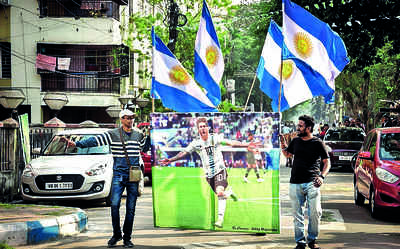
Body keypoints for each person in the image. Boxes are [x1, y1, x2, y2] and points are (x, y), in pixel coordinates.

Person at [64, 109, 150, 248]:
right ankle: (117, 234)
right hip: (118, 174)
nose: (130, 120)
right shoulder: (112, 134)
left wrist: (151, 136)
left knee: (131, 208)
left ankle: (127, 238)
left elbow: (143, 149)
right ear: (121, 119)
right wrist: (77, 144)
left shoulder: (138, 135)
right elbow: (95, 140)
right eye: (127, 118)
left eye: (132, 118)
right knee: (115, 205)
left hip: (133, 176)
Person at [160, 117, 249, 228]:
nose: (202, 128)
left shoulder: (214, 138)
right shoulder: (196, 143)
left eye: (204, 126)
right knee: (220, 194)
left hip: (220, 169)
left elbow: (231, 143)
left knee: (220, 193)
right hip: (209, 174)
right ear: (198, 129)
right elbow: (183, 153)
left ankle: (220, 219)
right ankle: (230, 193)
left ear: (207, 128)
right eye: (200, 127)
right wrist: (171, 160)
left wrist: (246, 145)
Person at [280, 115, 331, 249]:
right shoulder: (296, 141)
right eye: (298, 125)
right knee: (297, 214)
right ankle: (300, 242)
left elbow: (327, 163)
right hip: (295, 182)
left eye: (301, 126)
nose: (298, 128)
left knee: (315, 213)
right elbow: (288, 154)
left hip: (312, 182)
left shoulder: (318, 142)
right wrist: (283, 146)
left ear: (309, 128)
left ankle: (312, 240)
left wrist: (322, 177)